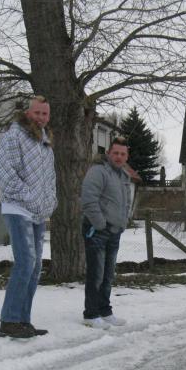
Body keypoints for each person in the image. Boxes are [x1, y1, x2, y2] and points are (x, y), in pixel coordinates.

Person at [0, 95, 57, 338]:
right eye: (37, 112)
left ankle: (23, 320)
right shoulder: (14, 136)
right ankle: (8, 321)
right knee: (26, 261)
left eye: (45, 114)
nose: (41, 117)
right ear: (28, 113)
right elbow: (3, 173)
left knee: (36, 266)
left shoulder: (45, 143)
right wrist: (28, 196)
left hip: (38, 212)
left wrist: (49, 202)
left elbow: (50, 179)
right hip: (17, 208)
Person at [80, 136, 132, 329]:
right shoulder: (98, 171)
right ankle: (91, 314)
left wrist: (123, 223)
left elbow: (126, 203)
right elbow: (88, 199)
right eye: (115, 153)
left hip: (115, 231)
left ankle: (104, 311)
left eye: (123, 154)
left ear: (127, 156)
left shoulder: (123, 175)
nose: (119, 157)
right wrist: (100, 224)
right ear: (108, 153)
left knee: (108, 275)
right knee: (97, 274)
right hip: (97, 230)